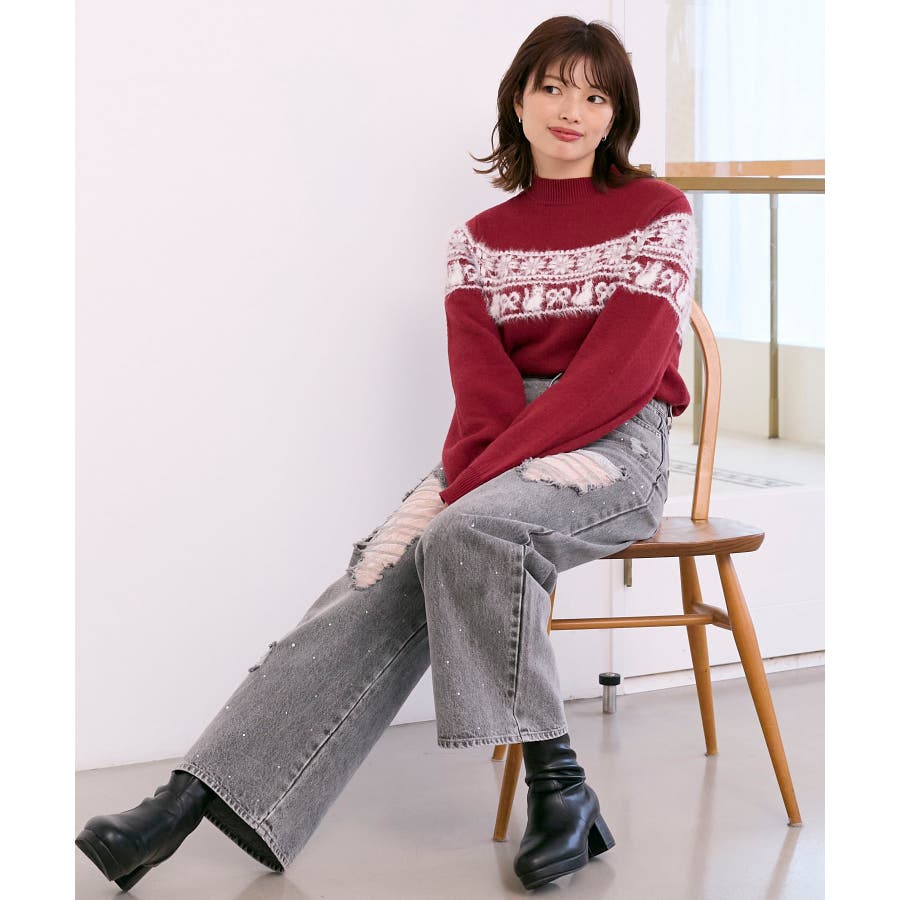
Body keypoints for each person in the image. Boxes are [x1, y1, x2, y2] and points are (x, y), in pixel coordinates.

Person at [75, 14, 694, 894]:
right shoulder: (476, 241)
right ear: (517, 102)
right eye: (553, 88)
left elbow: (618, 372)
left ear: (616, 117)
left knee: (465, 531)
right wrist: (472, 477)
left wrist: (467, 491)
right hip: (497, 443)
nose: (571, 111)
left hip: (614, 441)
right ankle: (187, 798)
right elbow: (481, 387)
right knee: (376, 572)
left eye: (596, 98)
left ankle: (559, 789)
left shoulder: (659, 214)